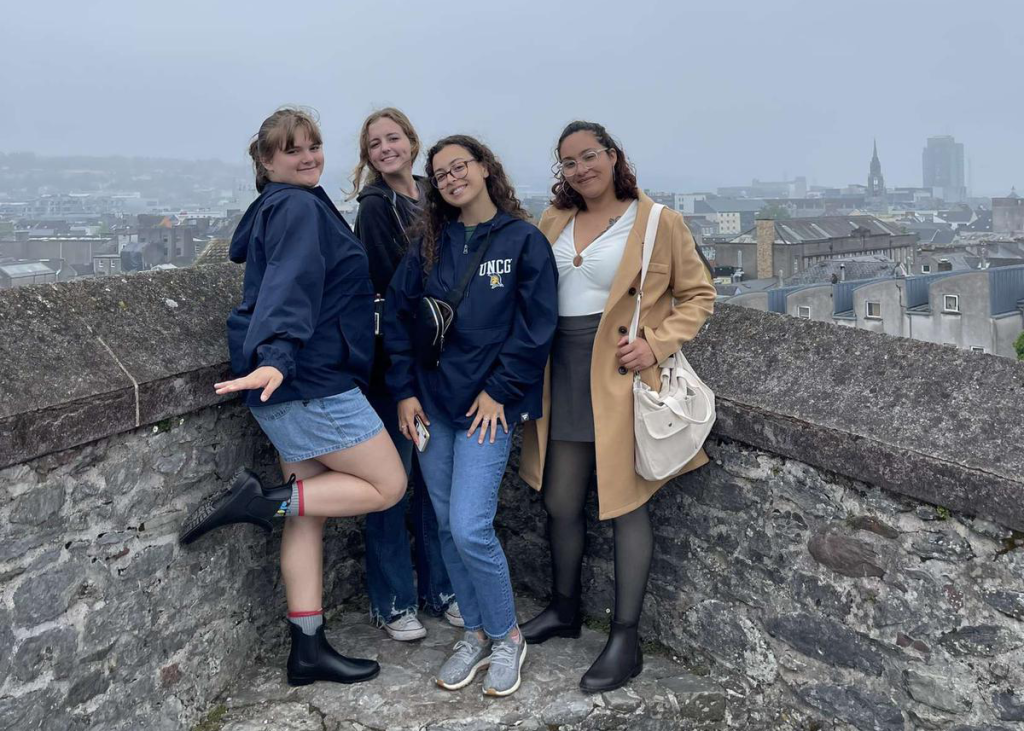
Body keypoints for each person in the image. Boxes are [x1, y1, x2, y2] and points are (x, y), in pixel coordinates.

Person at [179, 107, 407, 687]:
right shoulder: (299, 208)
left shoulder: (283, 206)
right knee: (388, 485)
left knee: (305, 514)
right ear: (266, 160)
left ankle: (307, 650)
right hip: (310, 381)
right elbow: (292, 285)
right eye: (291, 150)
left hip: (289, 382)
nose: (308, 158)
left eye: (314, 145)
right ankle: (260, 502)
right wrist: (277, 357)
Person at [518, 120, 716, 693]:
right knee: (559, 498)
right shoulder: (552, 220)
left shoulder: (657, 221)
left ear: (612, 155)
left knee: (626, 504)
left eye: (590, 156)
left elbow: (699, 294)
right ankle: (565, 608)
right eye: (569, 162)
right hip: (559, 372)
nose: (581, 169)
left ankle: (625, 639)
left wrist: (656, 343)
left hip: (619, 377)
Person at [384, 135, 558, 697]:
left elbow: (535, 328)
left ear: (484, 168)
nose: (452, 178)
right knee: (443, 524)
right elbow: (400, 320)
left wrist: (501, 392)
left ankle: (508, 636)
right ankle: (476, 633)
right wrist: (404, 392)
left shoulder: (523, 240)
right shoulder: (429, 245)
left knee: (469, 526)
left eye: (460, 166)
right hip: (432, 405)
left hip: (488, 409)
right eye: (440, 174)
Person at [350, 108, 460, 641]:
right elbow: (391, 289)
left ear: (413, 142)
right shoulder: (376, 207)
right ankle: (394, 601)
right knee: (392, 483)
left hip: (436, 360)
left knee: (436, 483)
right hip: (394, 365)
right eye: (375, 144)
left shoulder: (429, 192)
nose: (385, 148)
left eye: (393, 138)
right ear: (368, 156)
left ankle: (442, 588)